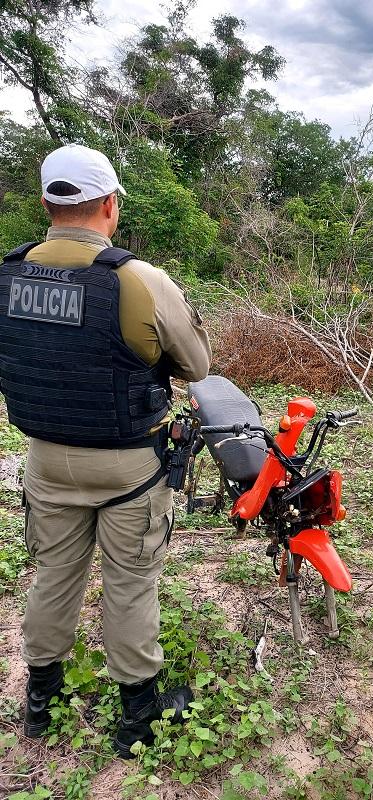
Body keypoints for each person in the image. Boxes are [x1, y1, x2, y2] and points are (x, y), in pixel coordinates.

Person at [0, 144, 212, 757]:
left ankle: (41, 701)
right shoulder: (136, 279)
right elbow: (197, 365)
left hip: (44, 457)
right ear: (110, 206)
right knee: (130, 584)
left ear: (47, 204)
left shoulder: (8, 275)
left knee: (53, 576)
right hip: (128, 466)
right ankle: (138, 718)